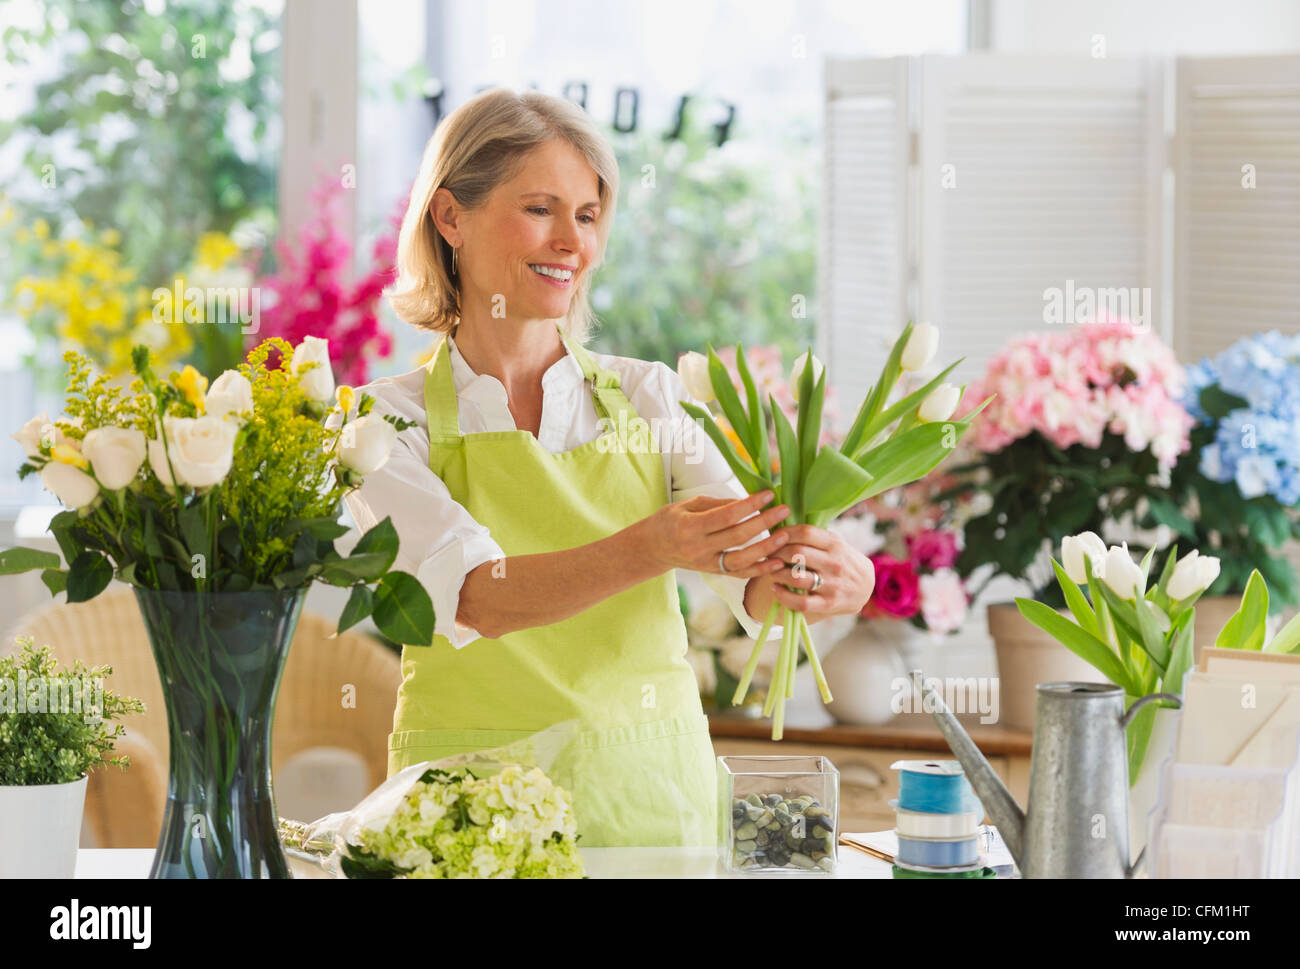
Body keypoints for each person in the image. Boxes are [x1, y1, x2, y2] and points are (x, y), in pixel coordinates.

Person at [339, 87, 875, 847]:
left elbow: (751, 578)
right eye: (540, 209)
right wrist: (652, 545)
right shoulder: (383, 422)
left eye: (587, 216)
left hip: (647, 804)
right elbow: (472, 600)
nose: (573, 242)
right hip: (465, 818)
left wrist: (826, 580)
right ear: (451, 216)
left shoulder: (648, 394)